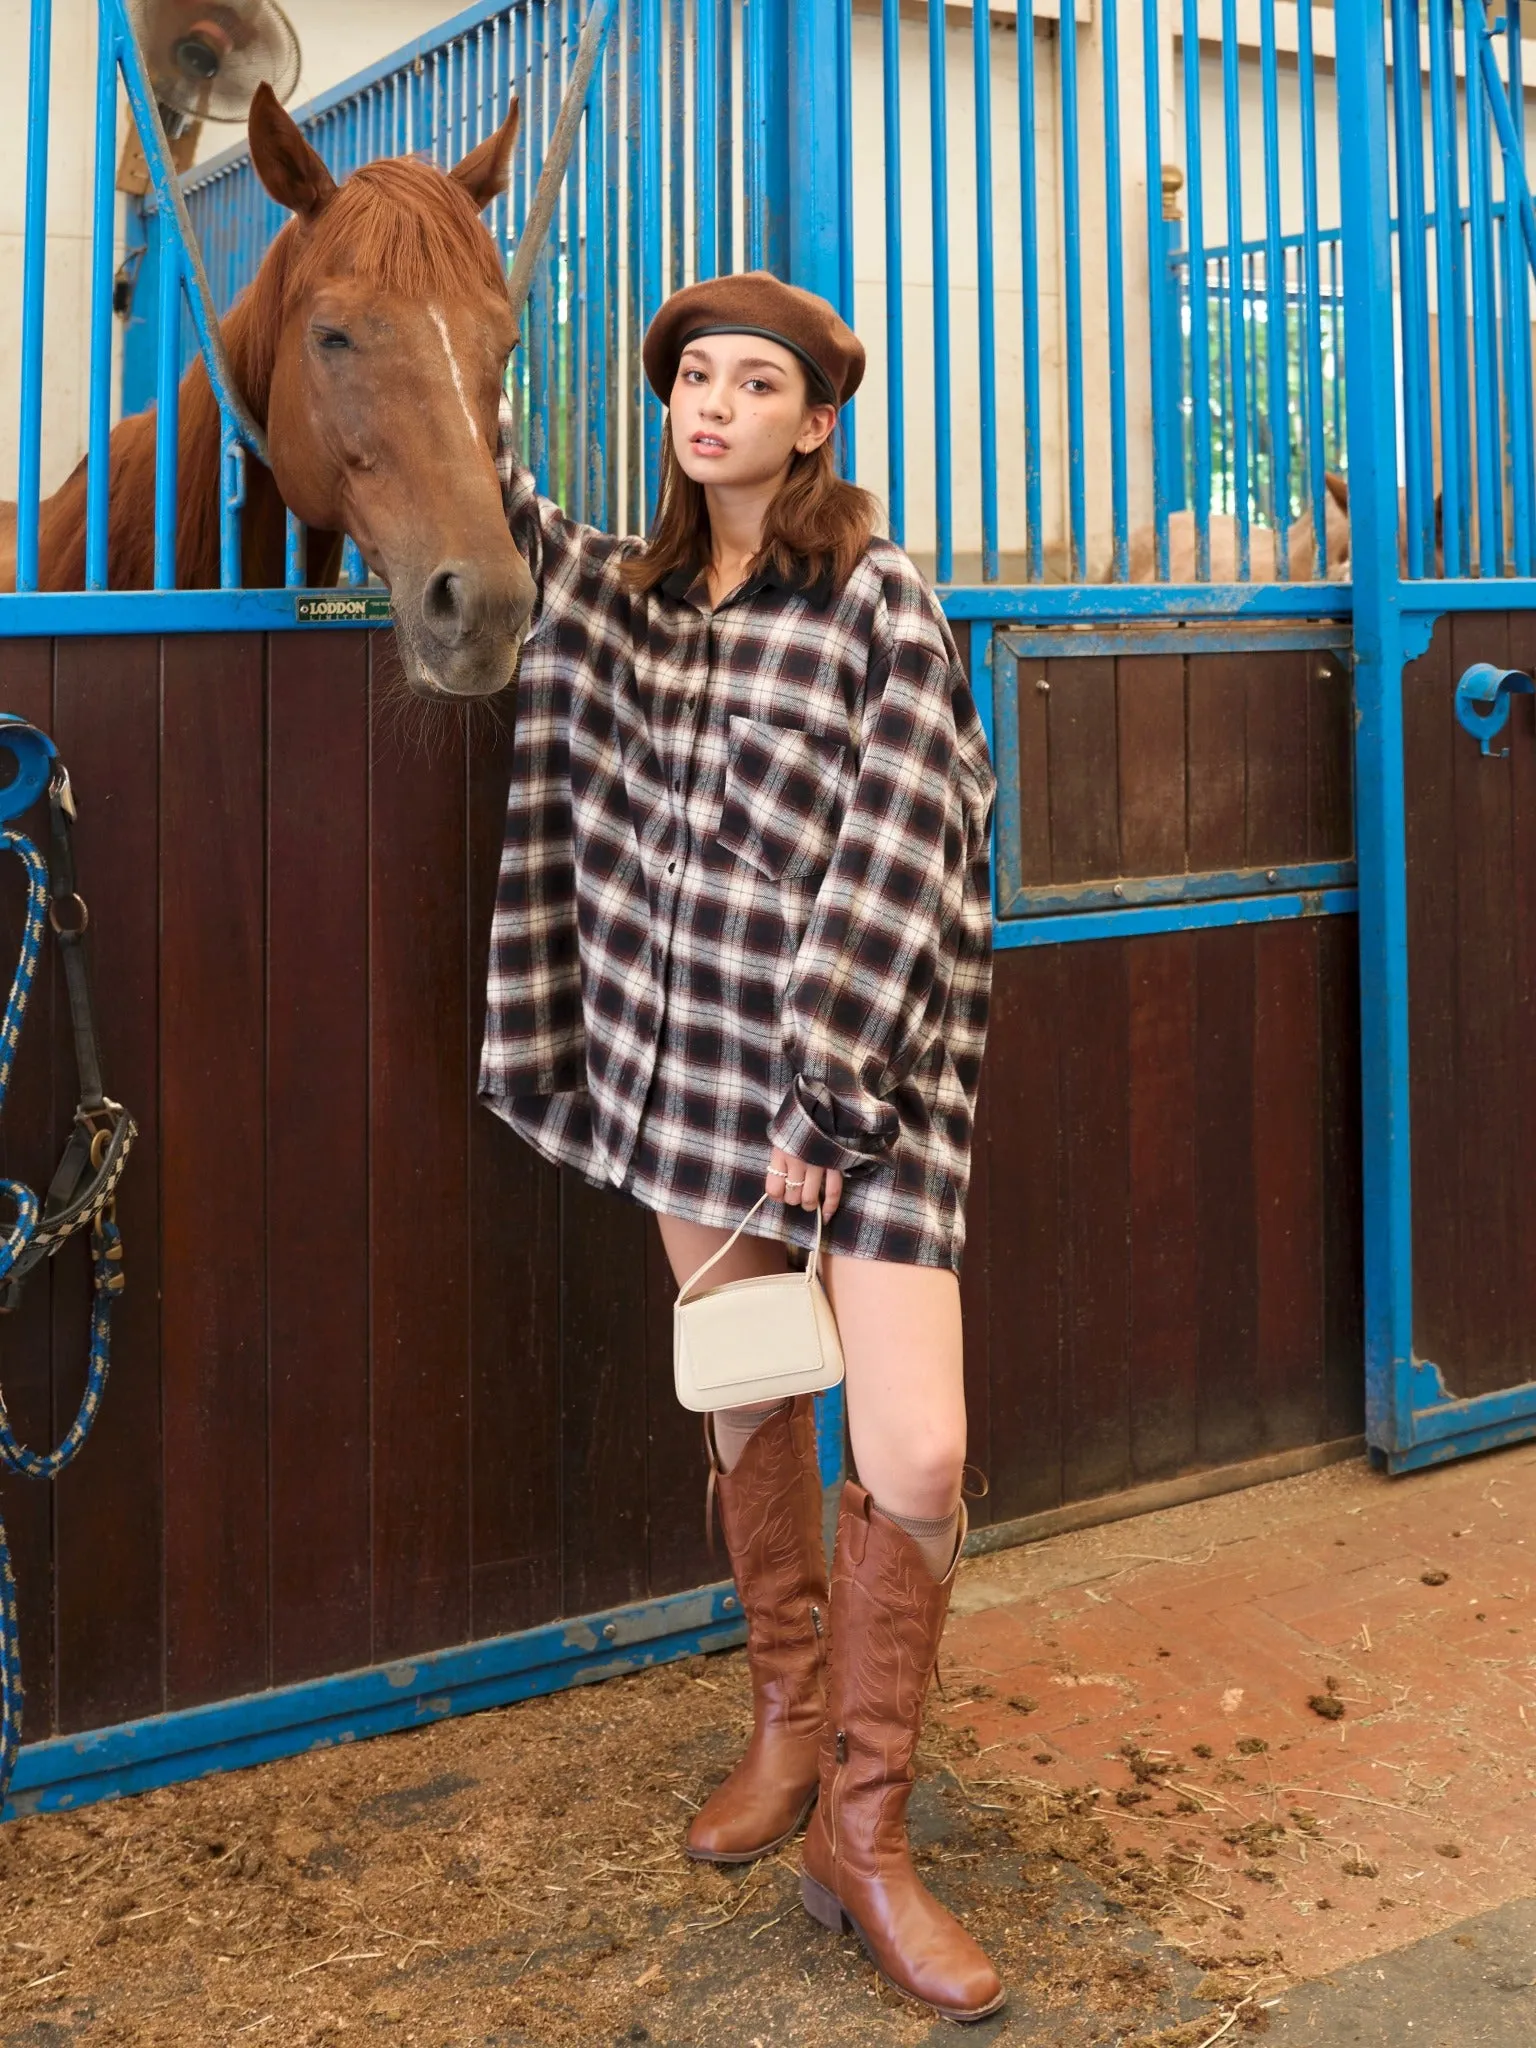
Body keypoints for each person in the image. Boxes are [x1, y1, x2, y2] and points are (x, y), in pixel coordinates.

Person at [480, 271, 1001, 2024]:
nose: (710, 403)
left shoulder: (876, 600)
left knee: (915, 1450)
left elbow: (908, 844)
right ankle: (788, 1717)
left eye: (750, 380)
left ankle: (869, 1829)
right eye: (690, 377)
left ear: (815, 417)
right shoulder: (627, 597)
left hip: (861, 1088)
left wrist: (827, 1102)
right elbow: (495, 510)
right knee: (749, 1400)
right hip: (685, 1072)